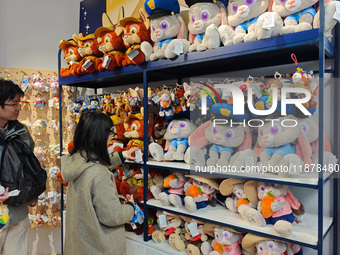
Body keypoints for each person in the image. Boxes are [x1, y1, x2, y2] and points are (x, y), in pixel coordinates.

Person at [61, 111, 140, 255]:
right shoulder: (100, 175)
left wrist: (122, 155)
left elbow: (94, 164)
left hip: (79, 245)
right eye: (111, 132)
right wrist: (130, 208)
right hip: (98, 247)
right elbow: (112, 216)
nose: (112, 136)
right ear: (100, 135)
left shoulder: (77, 161)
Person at [0, 78, 36, 254]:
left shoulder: (22, 132)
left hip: (18, 211)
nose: (18, 108)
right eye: (14, 103)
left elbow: (30, 165)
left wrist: (33, 192)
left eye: (19, 103)